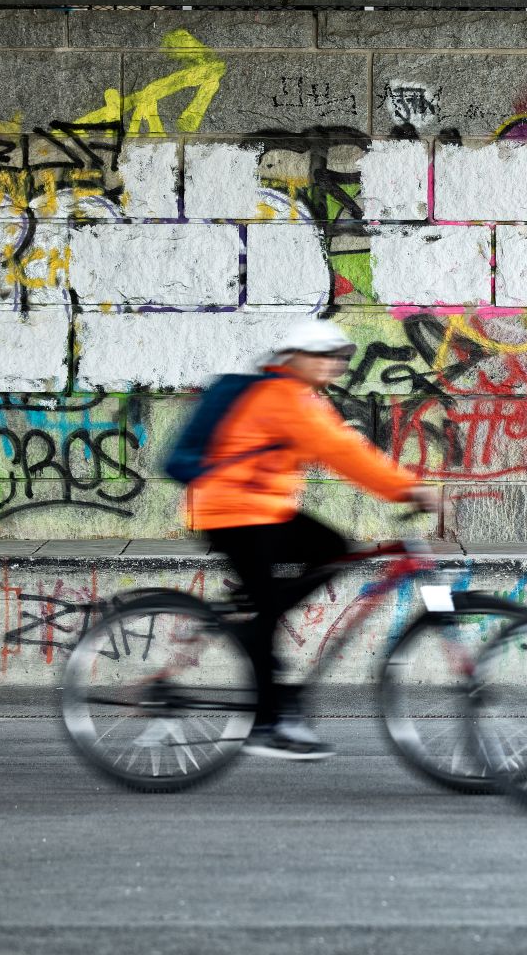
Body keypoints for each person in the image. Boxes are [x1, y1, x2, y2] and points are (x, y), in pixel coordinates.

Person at [188, 319, 436, 761]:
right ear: (293, 358)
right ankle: (266, 724)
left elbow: (346, 443)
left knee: (333, 547)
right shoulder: (280, 397)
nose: (332, 364)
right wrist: (407, 489)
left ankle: (259, 611)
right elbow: (342, 453)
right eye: (321, 355)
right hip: (233, 511)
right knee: (267, 611)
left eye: (337, 356)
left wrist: (403, 483)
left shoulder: (305, 399)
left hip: (264, 507)